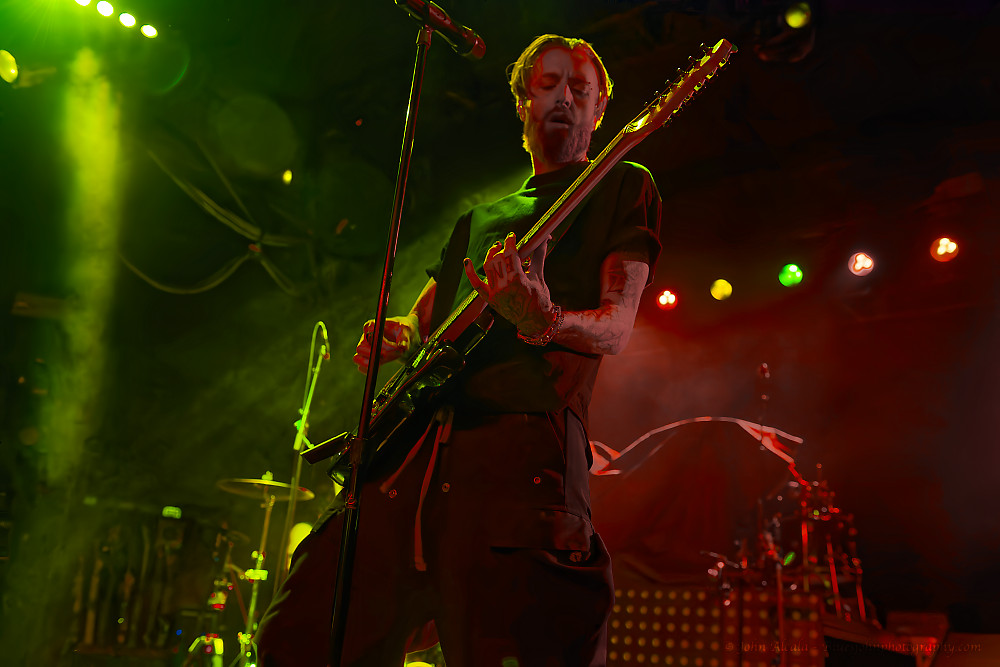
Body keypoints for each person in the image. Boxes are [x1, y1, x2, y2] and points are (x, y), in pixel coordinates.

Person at [256, 34, 661, 666]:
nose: (564, 99)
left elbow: (617, 326)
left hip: (522, 467)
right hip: (412, 460)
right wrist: (399, 333)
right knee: (300, 636)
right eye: (548, 84)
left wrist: (544, 317)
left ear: (602, 106)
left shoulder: (622, 185)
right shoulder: (479, 218)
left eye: (580, 89)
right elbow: (423, 324)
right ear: (522, 101)